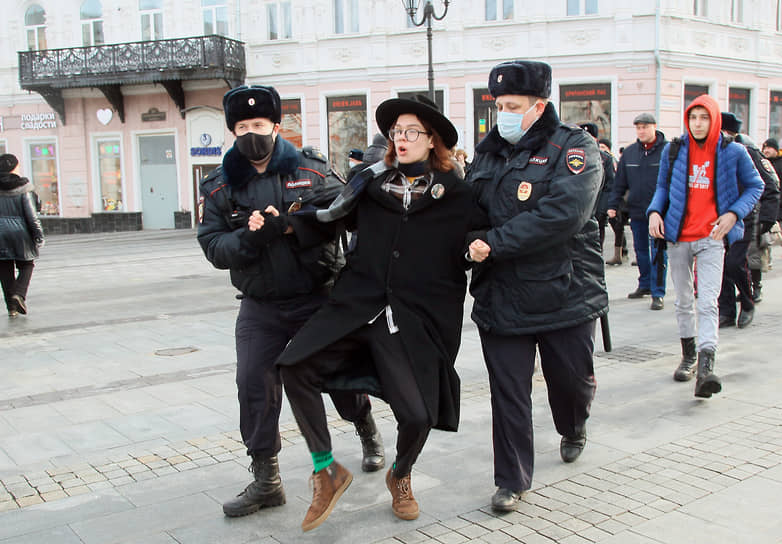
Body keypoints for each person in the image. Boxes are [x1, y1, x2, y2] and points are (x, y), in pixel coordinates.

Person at [276, 95, 477, 531]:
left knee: (419, 416)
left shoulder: (456, 193)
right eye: (396, 132)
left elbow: (476, 234)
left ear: (432, 140)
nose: (401, 140)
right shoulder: (368, 182)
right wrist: (285, 224)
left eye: (412, 133)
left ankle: (400, 474)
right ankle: (326, 469)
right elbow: (329, 215)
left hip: (411, 320)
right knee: (293, 365)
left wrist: (477, 247)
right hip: (356, 307)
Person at [197, 84, 383, 519]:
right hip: (260, 305)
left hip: (316, 296)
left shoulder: (311, 168)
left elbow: (339, 215)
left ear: (277, 126)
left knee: (338, 378)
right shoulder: (220, 184)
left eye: (258, 124)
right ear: (232, 132)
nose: (251, 133)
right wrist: (248, 237)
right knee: (253, 384)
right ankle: (267, 480)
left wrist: (288, 226)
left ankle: (367, 430)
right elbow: (213, 245)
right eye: (241, 127)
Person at [465, 60, 608, 512]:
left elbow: (564, 215)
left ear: (539, 105)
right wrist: (466, 240)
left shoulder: (575, 147)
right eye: (498, 105)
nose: (502, 113)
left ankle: (574, 424)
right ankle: (512, 479)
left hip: (563, 292)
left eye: (513, 106)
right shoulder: (488, 153)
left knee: (570, 383)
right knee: (509, 392)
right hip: (502, 296)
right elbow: (466, 212)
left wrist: (494, 243)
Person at [647, 95, 762, 395]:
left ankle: (706, 367)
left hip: (712, 238)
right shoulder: (674, 150)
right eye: (693, 117)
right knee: (683, 300)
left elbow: (756, 185)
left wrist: (733, 213)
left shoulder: (733, 151)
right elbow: (662, 187)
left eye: (704, 117)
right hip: (678, 237)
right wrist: (655, 212)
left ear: (714, 120)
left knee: (707, 302)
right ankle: (688, 357)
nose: (697, 123)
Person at [717, 113, 779, 330]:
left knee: (735, 263)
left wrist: (767, 219)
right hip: (717, 218)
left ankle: (747, 302)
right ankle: (725, 311)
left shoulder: (749, 152)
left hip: (745, 217)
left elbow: (770, 188)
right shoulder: (711, 152)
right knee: (720, 266)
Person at [608, 113, 668, 310]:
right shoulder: (631, 153)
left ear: (654, 127)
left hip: (659, 213)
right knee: (640, 251)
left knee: (658, 252)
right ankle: (644, 285)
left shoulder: (667, 151)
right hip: (637, 210)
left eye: (645, 127)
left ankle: (658, 292)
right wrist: (613, 205)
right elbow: (620, 183)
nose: (641, 131)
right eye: (638, 128)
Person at [0, 153, 44, 317]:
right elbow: (31, 216)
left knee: (4, 270)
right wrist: (39, 235)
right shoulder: (24, 186)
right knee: (26, 265)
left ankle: (11, 309)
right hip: (21, 233)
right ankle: (19, 294)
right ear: (14, 167)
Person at [580, 122, 616, 251]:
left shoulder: (605, 158)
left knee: (596, 240)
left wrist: (602, 209)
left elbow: (609, 185)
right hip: (580, 208)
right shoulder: (576, 156)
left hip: (597, 207)